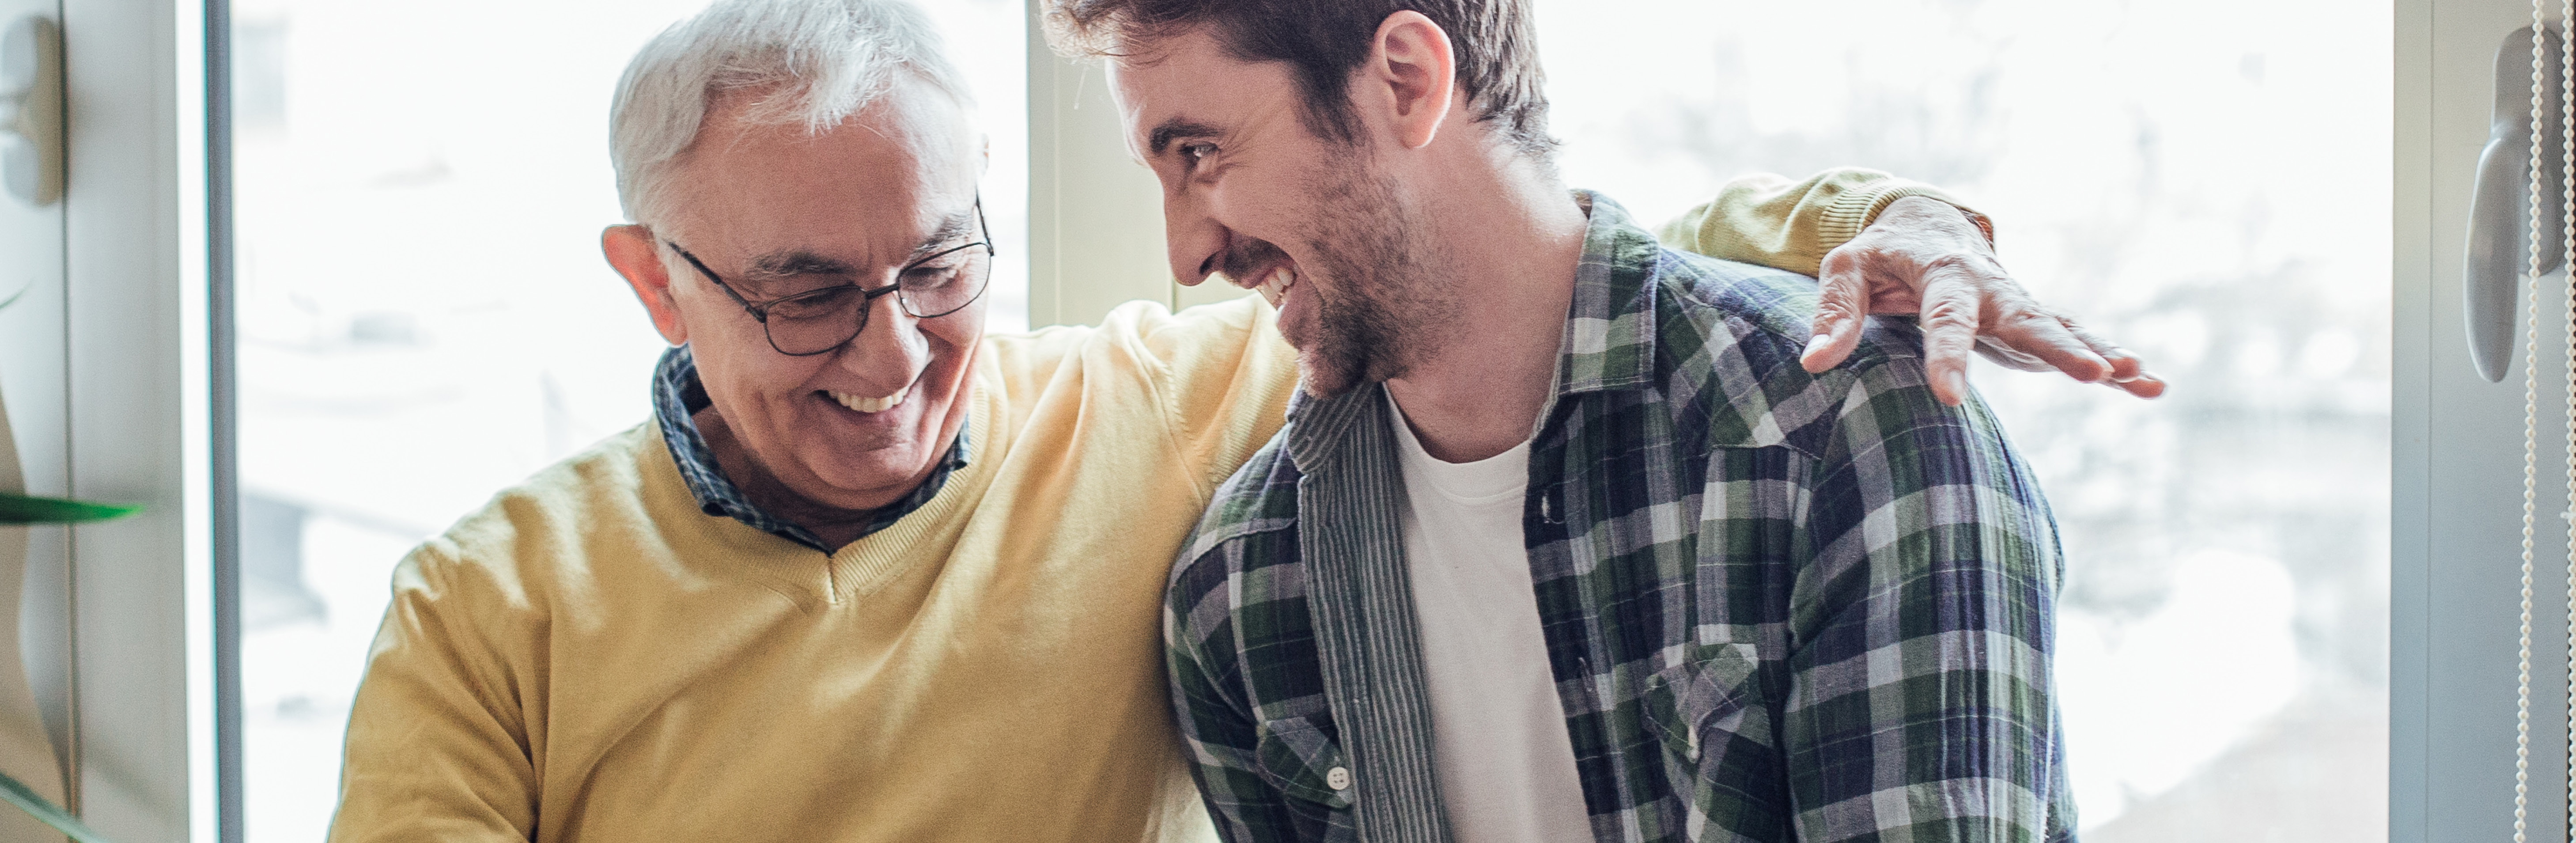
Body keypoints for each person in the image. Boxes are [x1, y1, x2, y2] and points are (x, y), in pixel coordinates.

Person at [326, 0, 2133, 840]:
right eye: (805, 294)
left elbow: (1537, 256)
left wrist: (1892, 223)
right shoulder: (487, 617)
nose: (889, 355)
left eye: (939, 269)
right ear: (652, 282)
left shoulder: (1171, 409)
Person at [1046, 1, 2080, 840]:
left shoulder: (1849, 445)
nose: (1184, 253)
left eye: (1202, 153)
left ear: (1407, 79)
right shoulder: (1239, 596)